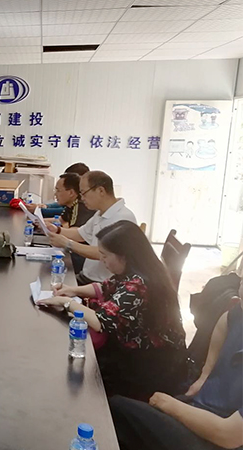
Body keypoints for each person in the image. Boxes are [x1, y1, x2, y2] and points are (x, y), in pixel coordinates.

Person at [39, 220, 187, 400]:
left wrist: (66, 302)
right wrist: (72, 290)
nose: (102, 260)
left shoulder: (139, 284)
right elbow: (105, 287)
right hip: (135, 351)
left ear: (124, 256)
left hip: (149, 363)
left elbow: (101, 321)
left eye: (105, 255)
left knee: (79, 378)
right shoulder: (136, 270)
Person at [109, 278, 243, 450]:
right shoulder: (238, 312)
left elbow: (228, 435)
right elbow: (226, 321)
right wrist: (205, 374)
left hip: (217, 439)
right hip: (199, 409)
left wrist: (168, 404)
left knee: (117, 410)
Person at [48, 170, 137, 285]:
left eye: (84, 193)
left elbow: (102, 253)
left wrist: (67, 244)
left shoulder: (123, 218)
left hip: (103, 284)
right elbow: (81, 234)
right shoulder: (100, 213)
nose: (82, 198)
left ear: (101, 190)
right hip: (86, 276)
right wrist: (57, 230)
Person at [43, 173, 95, 273]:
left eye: (58, 190)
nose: (55, 194)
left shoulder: (80, 206)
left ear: (71, 193)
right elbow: (60, 220)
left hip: (82, 256)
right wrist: (40, 221)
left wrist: (58, 230)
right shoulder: (70, 205)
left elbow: (77, 232)